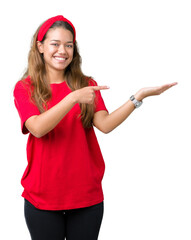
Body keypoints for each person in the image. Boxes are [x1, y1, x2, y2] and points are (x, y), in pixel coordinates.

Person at [13, 15, 177, 240]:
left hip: (86, 197)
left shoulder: (86, 85)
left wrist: (139, 96)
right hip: (42, 198)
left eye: (69, 45)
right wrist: (72, 98)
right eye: (55, 44)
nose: (63, 50)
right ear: (40, 47)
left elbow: (105, 125)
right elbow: (38, 129)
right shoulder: (25, 88)